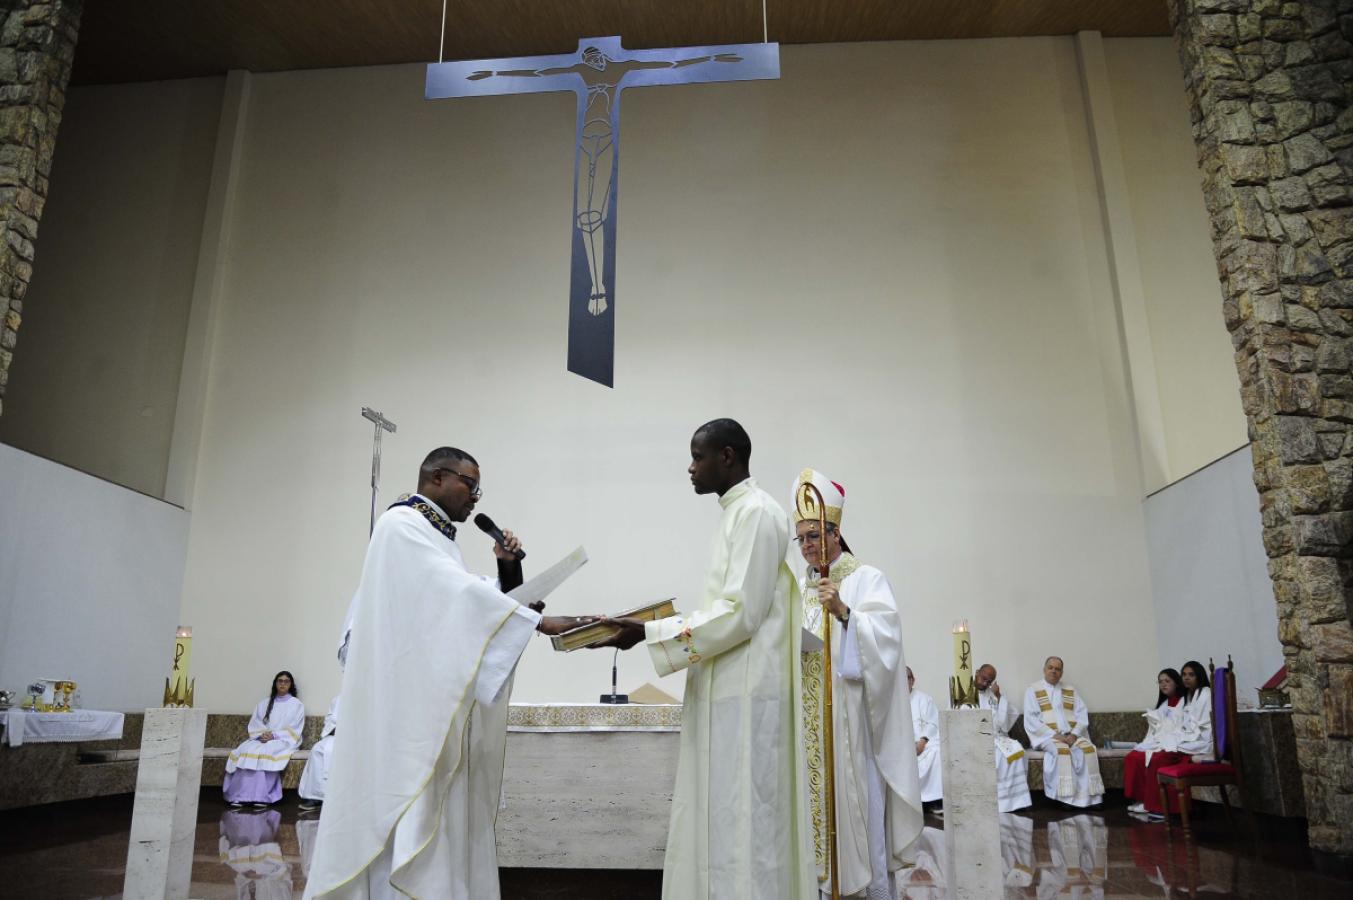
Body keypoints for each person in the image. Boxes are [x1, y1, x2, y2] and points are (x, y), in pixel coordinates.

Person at [303, 446, 592, 900]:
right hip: (405, 722)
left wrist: (508, 568)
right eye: (470, 484)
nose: (475, 496)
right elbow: (453, 600)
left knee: (441, 825)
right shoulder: (400, 526)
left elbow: (458, 606)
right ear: (437, 477)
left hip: (428, 716)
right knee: (406, 822)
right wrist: (538, 621)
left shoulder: (437, 539)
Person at [600, 419, 816, 900]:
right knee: (721, 815)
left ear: (728, 456)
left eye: (698, 457)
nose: (691, 467)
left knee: (746, 818)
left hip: (748, 693)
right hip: (727, 687)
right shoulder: (737, 512)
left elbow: (741, 612)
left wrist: (650, 632)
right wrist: (653, 628)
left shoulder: (757, 512)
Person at [791, 469, 923, 900]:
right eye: (801, 539)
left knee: (856, 804)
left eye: (814, 535)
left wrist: (846, 613)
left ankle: (863, 889)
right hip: (809, 722)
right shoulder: (800, 588)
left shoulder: (867, 578)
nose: (807, 546)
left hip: (852, 724)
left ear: (835, 533)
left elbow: (887, 641)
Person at [1124, 668, 1209, 820]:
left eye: (1167, 681)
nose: (1163, 684)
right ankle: (1142, 799)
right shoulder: (1164, 704)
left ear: (1176, 683)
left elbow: (1187, 726)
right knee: (1133, 756)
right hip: (1164, 740)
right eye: (1160, 682)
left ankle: (1156, 804)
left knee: (1155, 759)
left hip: (1179, 742)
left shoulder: (1186, 700)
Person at [1023, 656, 1103, 808]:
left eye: (1057, 669)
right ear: (1044, 670)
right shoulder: (1033, 690)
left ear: (1062, 673)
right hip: (1048, 737)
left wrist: (1074, 734)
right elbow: (1031, 719)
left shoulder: (1070, 690)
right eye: (1050, 668)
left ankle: (1092, 798)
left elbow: (1081, 714)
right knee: (1062, 752)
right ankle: (1066, 799)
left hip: (1071, 735)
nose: (1054, 671)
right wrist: (1054, 735)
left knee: (1088, 750)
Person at [223, 671, 305, 808]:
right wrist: (262, 735)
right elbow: (255, 723)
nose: (283, 684)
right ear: (275, 684)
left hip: (283, 740)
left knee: (266, 752)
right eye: (280, 681)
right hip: (261, 738)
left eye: (286, 681)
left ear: (291, 685)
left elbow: (295, 728)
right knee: (246, 750)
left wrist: (274, 735)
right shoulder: (264, 703)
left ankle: (261, 797)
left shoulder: (296, 705)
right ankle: (239, 796)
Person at [975, 663, 1032, 812]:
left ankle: (1015, 801)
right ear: (977, 673)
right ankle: (1000, 801)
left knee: (1018, 752)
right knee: (999, 755)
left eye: (989, 681)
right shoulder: (963, 695)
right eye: (983, 678)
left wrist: (999, 696)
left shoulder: (993, 695)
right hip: (975, 739)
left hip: (996, 737)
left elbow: (1006, 722)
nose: (985, 683)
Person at [906, 667, 943, 808]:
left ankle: (934, 801)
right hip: (903, 744)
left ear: (913, 680)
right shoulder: (892, 702)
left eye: (907, 678)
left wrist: (922, 741)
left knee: (937, 752)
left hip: (924, 743)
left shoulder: (924, 699)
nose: (904, 682)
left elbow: (933, 723)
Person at [297, 695, 338, 811]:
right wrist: (333, 728)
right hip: (334, 736)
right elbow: (329, 719)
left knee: (331, 751)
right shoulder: (337, 699)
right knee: (317, 750)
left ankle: (334, 797)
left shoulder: (362, 697)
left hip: (352, 738)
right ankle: (315, 797)